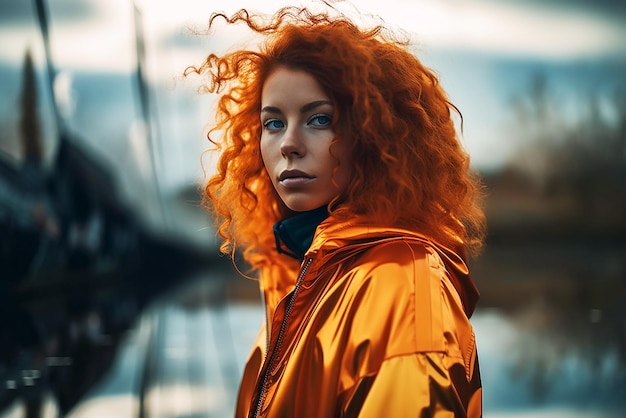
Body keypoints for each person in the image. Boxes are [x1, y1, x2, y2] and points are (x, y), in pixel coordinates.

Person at [186, 5, 486, 417]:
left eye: (319, 119)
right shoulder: (298, 274)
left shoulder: (404, 288)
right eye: (273, 123)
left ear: (373, 134)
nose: (288, 143)